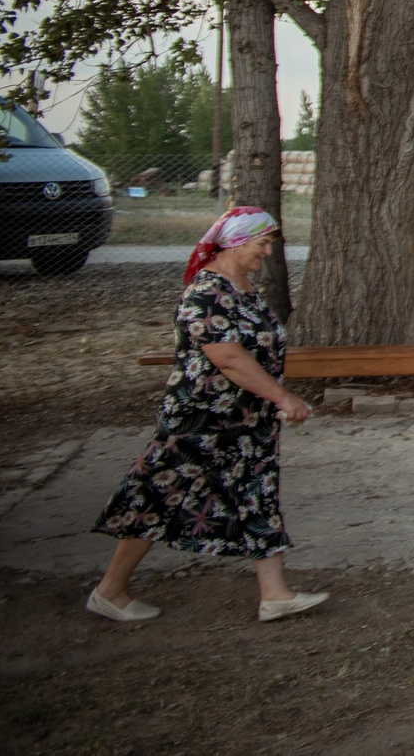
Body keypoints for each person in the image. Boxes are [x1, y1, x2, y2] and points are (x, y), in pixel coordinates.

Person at [89, 207, 327, 624]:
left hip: (246, 420)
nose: (267, 252)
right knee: (157, 497)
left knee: (258, 496)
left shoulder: (243, 286)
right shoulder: (207, 291)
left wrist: (269, 402)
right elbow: (227, 357)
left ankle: (275, 595)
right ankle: (109, 591)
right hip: (202, 419)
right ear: (235, 242)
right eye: (262, 243)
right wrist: (282, 397)